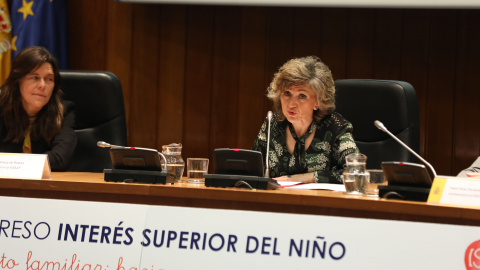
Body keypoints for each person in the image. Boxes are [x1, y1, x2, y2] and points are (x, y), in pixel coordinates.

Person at [252, 56, 358, 184]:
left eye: (302, 96)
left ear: (318, 101)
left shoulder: (335, 126)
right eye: (287, 93)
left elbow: (355, 173)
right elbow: (252, 170)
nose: (291, 104)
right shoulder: (272, 124)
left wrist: (306, 178)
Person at [0, 46, 76, 171]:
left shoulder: (63, 112)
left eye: (49, 79)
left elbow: (60, 159)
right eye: (35, 77)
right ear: (18, 81)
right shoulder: (2, 110)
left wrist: (11, 164)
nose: (42, 85)